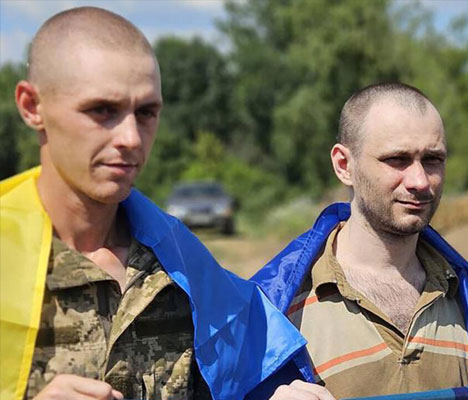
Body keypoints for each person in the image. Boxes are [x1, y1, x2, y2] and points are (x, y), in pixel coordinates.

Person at [0, 7, 305, 400]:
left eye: (146, 113)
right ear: (31, 106)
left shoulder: (182, 264)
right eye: (102, 111)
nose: (130, 137)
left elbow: (249, 377)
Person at [250, 83, 468, 400]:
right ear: (344, 165)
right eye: (397, 159)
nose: (420, 181)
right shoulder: (275, 311)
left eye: (433, 159)